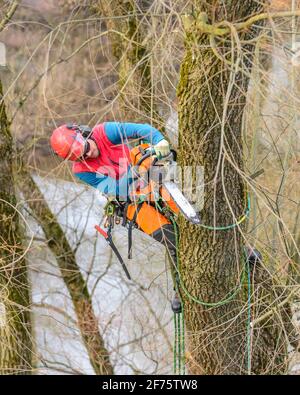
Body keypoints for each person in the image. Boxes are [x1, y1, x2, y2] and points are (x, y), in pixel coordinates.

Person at [50, 122, 178, 282]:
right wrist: (133, 172)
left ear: (83, 133)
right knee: (165, 234)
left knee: (140, 153)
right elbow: (118, 190)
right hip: (130, 197)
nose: (88, 155)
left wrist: (159, 141)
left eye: (86, 148)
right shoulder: (82, 170)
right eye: (81, 157)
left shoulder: (104, 132)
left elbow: (141, 130)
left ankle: (181, 203)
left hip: (147, 175)